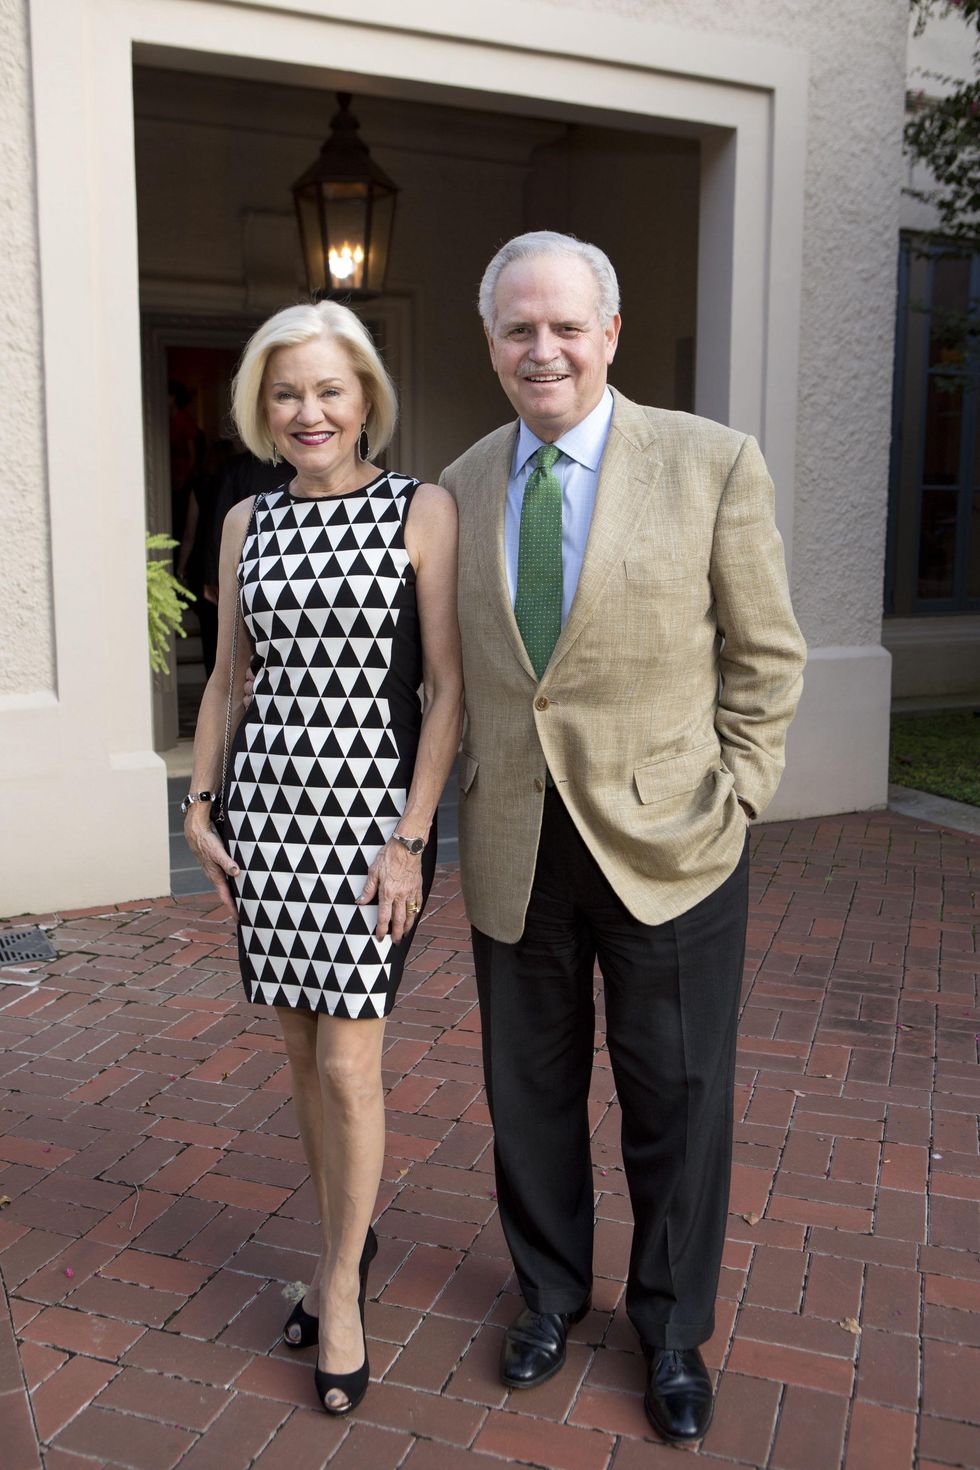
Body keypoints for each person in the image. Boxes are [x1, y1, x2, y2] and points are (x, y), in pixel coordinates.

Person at [440, 232, 806, 1446]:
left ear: (608, 334)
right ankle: (547, 1295)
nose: (539, 348)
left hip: (672, 845)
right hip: (512, 841)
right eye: (515, 329)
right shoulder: (458, 486)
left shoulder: (710, 464)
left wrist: (739, 792)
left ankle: (669, 1328)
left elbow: (764, 656)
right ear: (490, 345)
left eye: (562, 326)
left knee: (677, 1099)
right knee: (526, 1094)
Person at [183, 301, 463, 1418]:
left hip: (368, 829)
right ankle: (345, 1231)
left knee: (350, 1065)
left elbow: (443, 689)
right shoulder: (248, 523)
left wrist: (409, 840)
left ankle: (339, 1282)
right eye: (287, 392)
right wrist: (199, 805)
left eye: (329, 389)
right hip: (270, 821)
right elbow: (225, 681)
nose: (309, 411)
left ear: (365, 400)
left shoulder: (420, 509)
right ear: (264, 405)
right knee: (301, 1058)